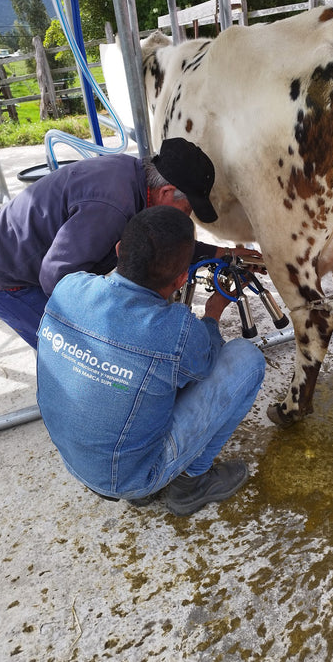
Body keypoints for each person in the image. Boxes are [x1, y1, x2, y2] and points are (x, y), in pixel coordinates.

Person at [36, 206, 266, 516]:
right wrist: (213, 311)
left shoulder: (69, 286)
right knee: (246, 359)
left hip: (75, 459)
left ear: (119, 251)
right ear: (183, 277)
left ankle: (134, 480)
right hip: (127, 476)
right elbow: (206, 362)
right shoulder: (175, 332)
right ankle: (190, 484)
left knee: (150, 374)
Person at [0, 137, 262, 348]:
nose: (187, 218)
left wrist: (222, 252)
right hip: (0, 275)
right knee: (69, 351)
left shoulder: (135, 178)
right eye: (187, 209)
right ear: (167, 192)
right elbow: (57, 279)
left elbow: (163, 238)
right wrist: (120, 322)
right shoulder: (111, 207)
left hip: (33, 259)